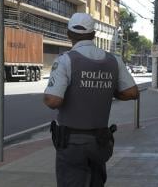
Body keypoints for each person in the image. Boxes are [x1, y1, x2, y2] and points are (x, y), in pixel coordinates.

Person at [43, 13, 139, 187]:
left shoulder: (65, 60)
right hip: (100, 142)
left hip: (72, 142)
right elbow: (132, 92)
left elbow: (53, 100)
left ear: (69, 35)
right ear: (94, 35)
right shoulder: (113, 60)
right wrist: (109, 91)